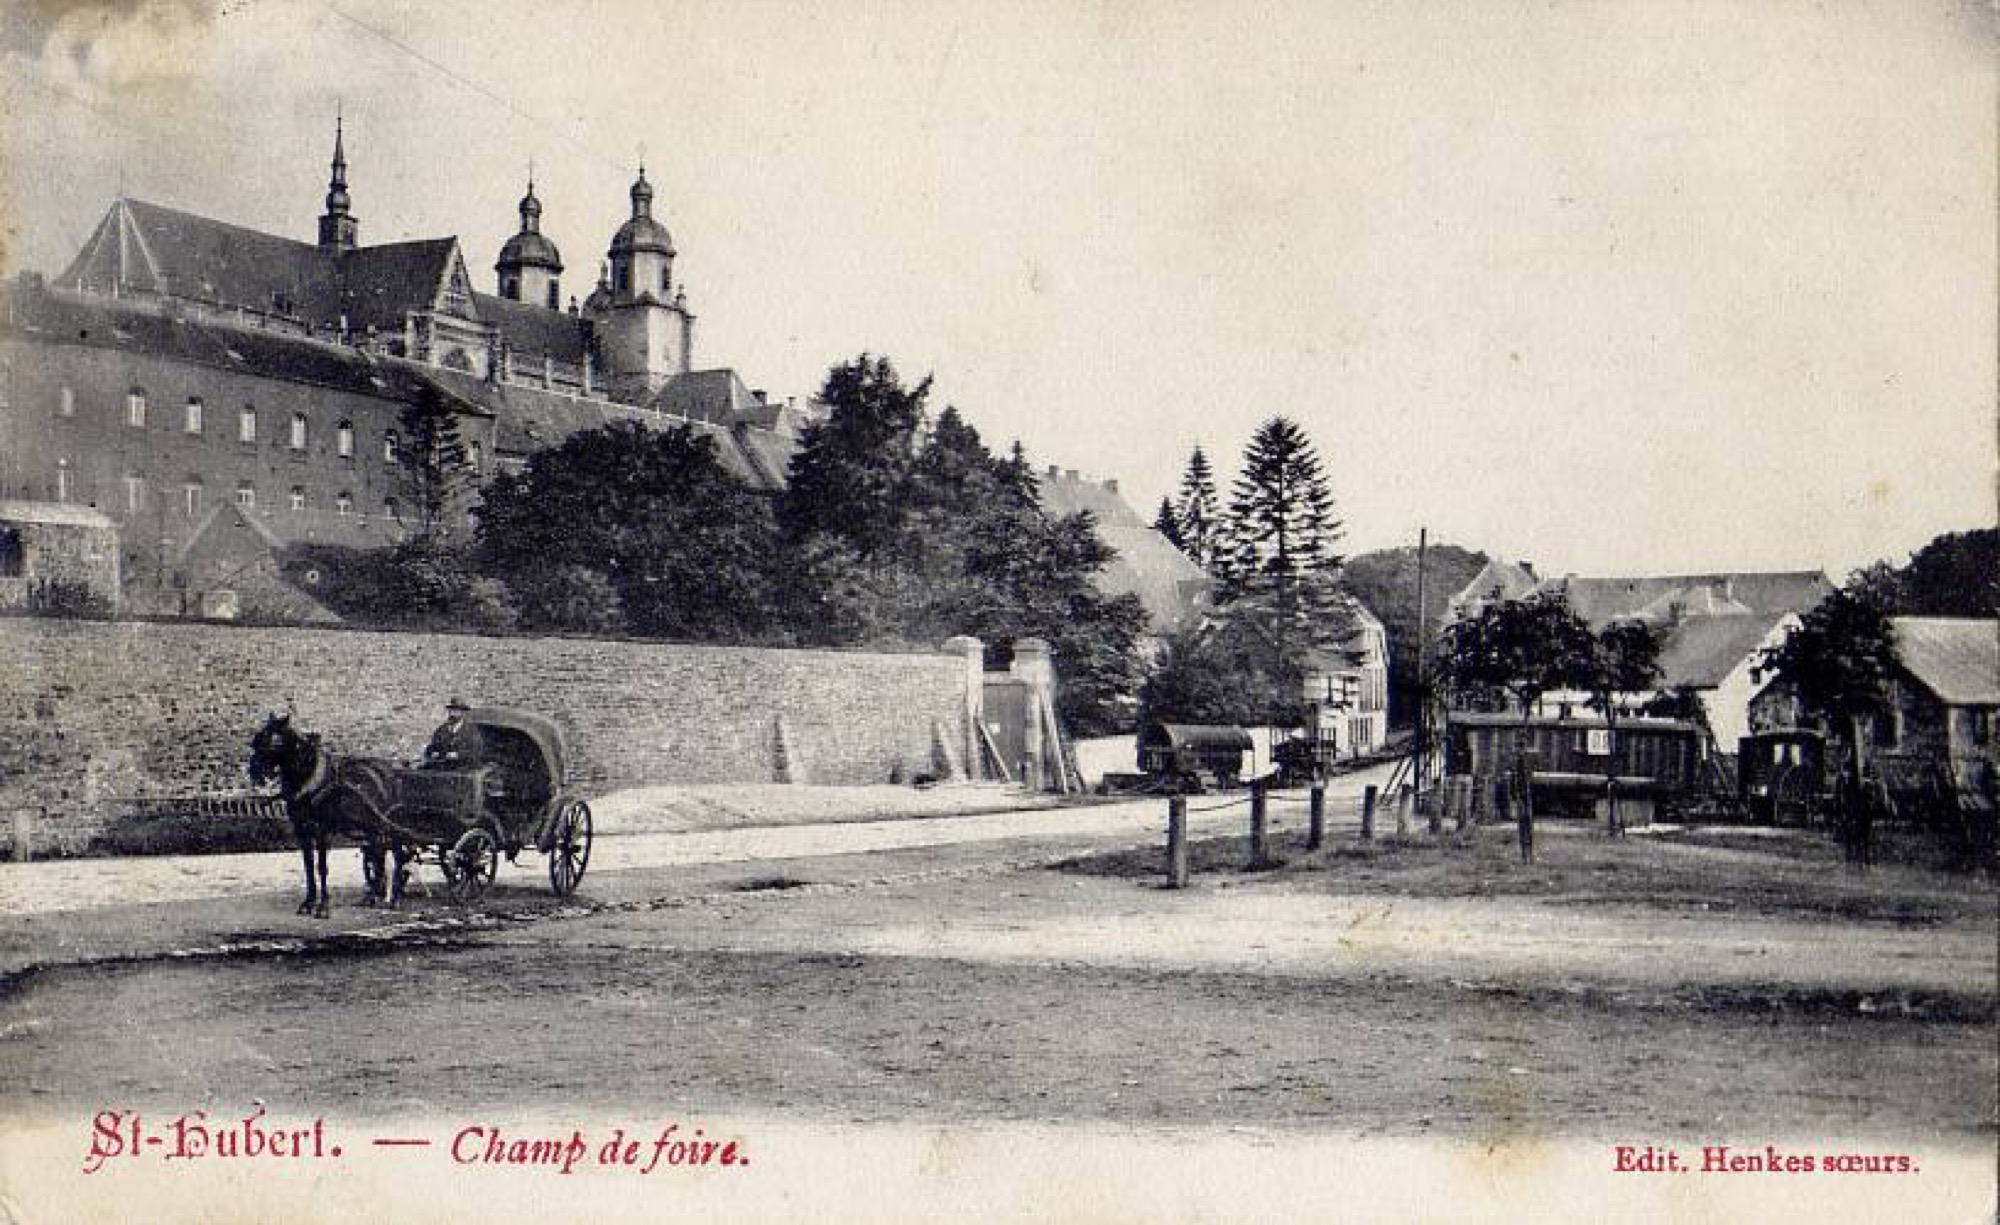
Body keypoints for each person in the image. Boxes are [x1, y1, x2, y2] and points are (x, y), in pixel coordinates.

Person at [423, 698, 484, 770]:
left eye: (455, 711)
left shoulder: (471, 731)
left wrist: (458, 755)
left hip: (464, 769)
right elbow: (432, 746)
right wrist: (432, 752)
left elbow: (476, 751)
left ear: (462, 713)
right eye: (451, 710)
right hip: (443, 768)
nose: (452, 714)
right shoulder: (441, 730)